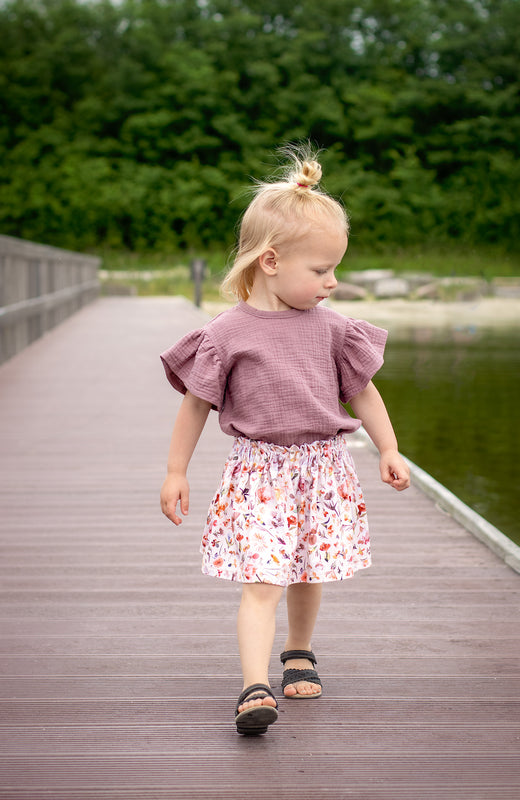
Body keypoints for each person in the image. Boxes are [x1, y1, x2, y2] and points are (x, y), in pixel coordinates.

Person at [160, 146, 410, 736]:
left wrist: (390, 448)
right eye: (321, 270)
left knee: (307, 568)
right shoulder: (227, 333)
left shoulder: (334, 330)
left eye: (334, 268)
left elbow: (364, 393)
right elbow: (196, 402)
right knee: (263, 578)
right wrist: (176, 471)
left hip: (324, 468)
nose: (333, 281)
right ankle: (253, 686)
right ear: (270, 261)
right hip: (260, 470)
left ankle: (299, 649)